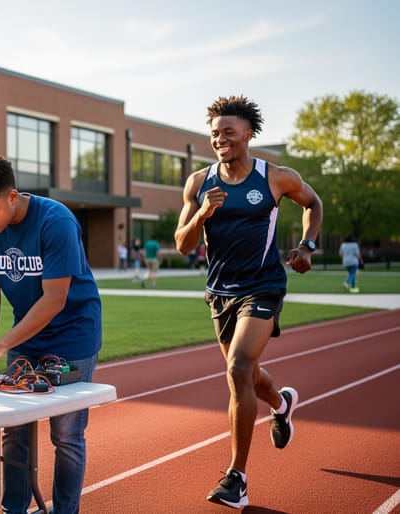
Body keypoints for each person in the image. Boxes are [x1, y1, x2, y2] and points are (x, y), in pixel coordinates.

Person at [174, 96, 323, 509]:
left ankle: (236, 478)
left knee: (238, 366)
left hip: (263, 285)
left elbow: (314, 203)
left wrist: (307, 245)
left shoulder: (275, 177)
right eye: (215, 133)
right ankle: (282, 402)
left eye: (228, 132)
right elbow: (183, 245)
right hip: (220, 292)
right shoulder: (198, 182)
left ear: (248, 134)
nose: (220, 139)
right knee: (248, 373)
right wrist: (201, 214)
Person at [0, 153, 102, 514]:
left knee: (65, 434)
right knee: (14, 427)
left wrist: (1, 345)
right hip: (27, 337)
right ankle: (13, 508)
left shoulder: (56, 221)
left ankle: (65, 511)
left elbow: (54, 299)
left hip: (73, 336)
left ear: (13, 197)